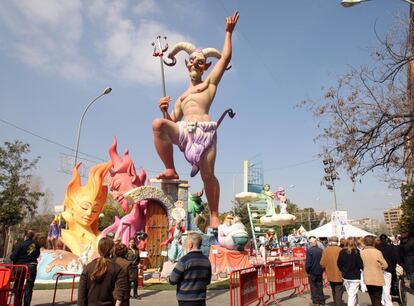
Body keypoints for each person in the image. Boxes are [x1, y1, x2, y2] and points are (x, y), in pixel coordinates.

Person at [152, 12, 240, 229]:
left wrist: (228, 33)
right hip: (184, 132)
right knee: (158, 124)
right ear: (186, 64)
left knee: (208, 175)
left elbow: (225, 58)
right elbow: (170, 123)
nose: (195, 64)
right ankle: (170, 169)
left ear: (206, 67)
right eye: (192, 61)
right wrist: (163, 110)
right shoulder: (181, 97)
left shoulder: (209, 84)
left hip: (205, 132)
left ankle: (214, 215)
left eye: (200, 62)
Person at [78, 237, 129, 306]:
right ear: (112, 250)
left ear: (98, 250)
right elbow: (121, 291)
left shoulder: (88, 267)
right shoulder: (116, 268)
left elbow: (81, 294)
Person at [169, 232, 212, 306]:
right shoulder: (206, 260)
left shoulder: (184, 260)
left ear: (190, 245)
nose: (185, 245)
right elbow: (207, 281)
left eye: (186, 243)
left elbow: (172, 280)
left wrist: (167, 277)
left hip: (186, 300)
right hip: (201, 299)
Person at [10, 230, 41, 306]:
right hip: (32, 266)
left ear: (25, 236)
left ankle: (17, 303)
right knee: (29, 287)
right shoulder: (36, 244)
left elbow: (12, 257)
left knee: (18, 287)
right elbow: (37, 255)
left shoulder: (21, 244)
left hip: (20, 267)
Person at [360, 235, 388, 306]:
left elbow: (360, 264)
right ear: (373, 242)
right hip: (377, 276)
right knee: (378, 296)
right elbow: (385, 265)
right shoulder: (377, 252)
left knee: (372, 295)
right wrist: (380, 267)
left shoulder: (361, 252)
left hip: (367, 276)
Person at [337, 237, 363, 306]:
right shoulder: (356, 251)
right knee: (352, 294)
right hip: (355, 276)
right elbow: (360, 264)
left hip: (346, 275)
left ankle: (356, 304)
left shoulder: (342, 251)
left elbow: (339, 263)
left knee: (352, 293)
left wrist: (342, 270)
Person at [320, 236, 343, 306]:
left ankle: (336, 303)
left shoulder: (326, 250)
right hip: (340, 273)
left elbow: (322, 263)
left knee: (333, 290)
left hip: (330, 273)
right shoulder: (341, 250)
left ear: (330, 242)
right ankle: (338, 304)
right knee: (338, 290)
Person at [376, 234, 398, 306]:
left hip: (379, 269)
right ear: (386, 239)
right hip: (388, 268)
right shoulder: (390, 248)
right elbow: (394, 258)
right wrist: (393, 266)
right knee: (387, 286)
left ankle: (383, 300)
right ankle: (388, 302)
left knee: (382, 286)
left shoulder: (377, 248)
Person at [305, 237, 325, 306]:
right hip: (319, 270)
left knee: (313, 287)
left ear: (311, 243)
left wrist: (307, 271)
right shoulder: (320, 250)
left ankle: (315, 302)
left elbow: (308, 263)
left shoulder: (309, 251)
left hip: (312, 271)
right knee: (320, 286)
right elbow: (323, 261)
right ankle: (322, 301)